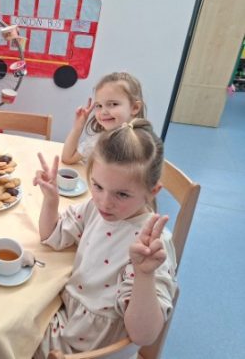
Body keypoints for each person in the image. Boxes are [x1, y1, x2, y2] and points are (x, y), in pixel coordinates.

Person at [33, 119, 177, 357]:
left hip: (88, 345)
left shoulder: (150, 245)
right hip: (66, 313)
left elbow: (144, 336)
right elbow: (51, 236)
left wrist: (144, 274)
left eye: (122, 194)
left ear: (152, 192)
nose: (105, 202)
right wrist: (51, 201)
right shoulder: (95, 207)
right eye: (97, 186)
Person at [61, 72, 145, 165]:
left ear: (135, 107)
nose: (103, 112)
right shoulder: (98, 140)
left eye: (113, 104)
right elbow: (68, 158)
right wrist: (78, 126)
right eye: (99, 105)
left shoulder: (143, 146)